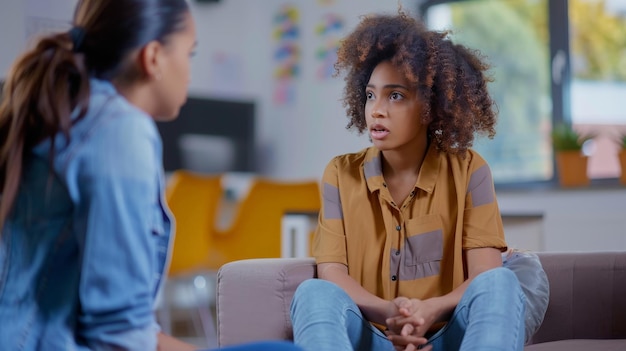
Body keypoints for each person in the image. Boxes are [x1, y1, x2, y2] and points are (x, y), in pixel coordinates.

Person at [0, 1, 303, 350]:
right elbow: (118, 336)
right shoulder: (120, 130)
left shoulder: (74, 115)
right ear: (154, 57)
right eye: (189, 54)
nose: (189, 72)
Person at [289, 11, 547, 351]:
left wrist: (430, 310)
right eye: (370, 95)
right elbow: (333, 275)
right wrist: (392, 312)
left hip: (447, 336)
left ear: (431, 105)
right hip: (375, 336)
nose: (376, 110)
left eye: (394, 95)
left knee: (501, 282)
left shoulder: (470, 170)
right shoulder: (339, 174)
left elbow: (484, 277)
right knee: (313, 291)